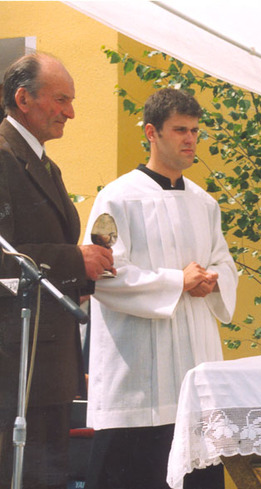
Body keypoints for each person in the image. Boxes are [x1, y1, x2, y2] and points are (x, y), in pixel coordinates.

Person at [83, 88, 238, 489]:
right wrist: (176, 282)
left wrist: (212, 281)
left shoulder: (204, 203)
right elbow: (104, 276)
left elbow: (224, 264)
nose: (191, 140)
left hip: (194, 373)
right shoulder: (117, 198)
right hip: (138, 383)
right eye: (180, 130)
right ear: (151, 133)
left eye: (195, 131)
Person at [0, 53, 114, 489]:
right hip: (14, 366)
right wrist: (73, 260)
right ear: (23, 99)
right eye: (61, 99)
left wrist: (88, 272)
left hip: (45, 364)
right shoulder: (4, 156)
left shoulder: (44, 163)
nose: (71, 112)